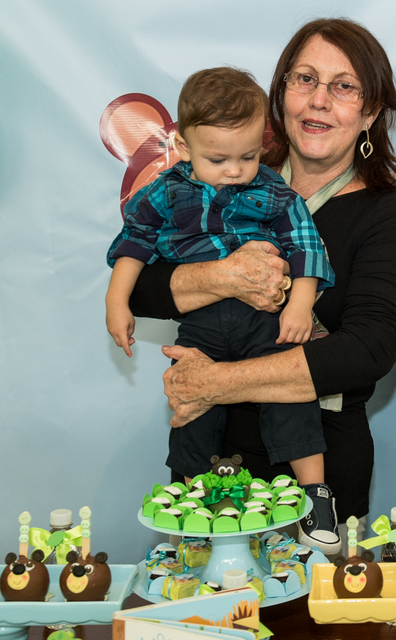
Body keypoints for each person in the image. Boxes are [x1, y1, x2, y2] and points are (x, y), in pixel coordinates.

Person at [127, 18, 396, 547]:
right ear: (279, 93)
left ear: (370, 112)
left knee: (312, 624)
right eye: (304, 79)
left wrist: (215, 382)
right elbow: (143, 287)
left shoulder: (387, 213)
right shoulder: (227, 175)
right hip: (214, 449)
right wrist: (224, 277)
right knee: (209, 620)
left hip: (321, 459)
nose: (319, 101)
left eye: (344, 87)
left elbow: (368, 351)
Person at [105, 67, 338, 550]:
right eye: (218, 158)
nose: (235, 170)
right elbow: (134, 242)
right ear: (184, 148)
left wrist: (298, 305)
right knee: (191, 404)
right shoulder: (166, 192)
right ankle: (186, 506)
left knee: (289, 394)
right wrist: (117, 298)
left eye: (248, 156)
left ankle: (316, 492)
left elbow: (305, 246)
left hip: (262, 321)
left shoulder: (272, 190)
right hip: (203, 325)